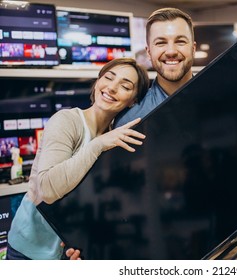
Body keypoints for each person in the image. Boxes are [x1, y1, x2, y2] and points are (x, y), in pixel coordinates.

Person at [65, 7, 237, 260]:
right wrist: (85, 244)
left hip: (224, 248)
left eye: (180, 41)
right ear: (149, 51)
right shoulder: (129, 117)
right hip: (155, 253)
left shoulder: (225, 101)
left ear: (193, 47)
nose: (171, 50)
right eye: (161, 42)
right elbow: (104, 186)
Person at [6, 57, 150, 260]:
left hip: (68, 253)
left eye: (125, 86)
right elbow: (47, 189)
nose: (112, 88)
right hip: (29, 252)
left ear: (134, 99)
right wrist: (98, 145)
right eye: (108, 77)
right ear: (98, 80)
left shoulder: (116, 138)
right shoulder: (67, 121)